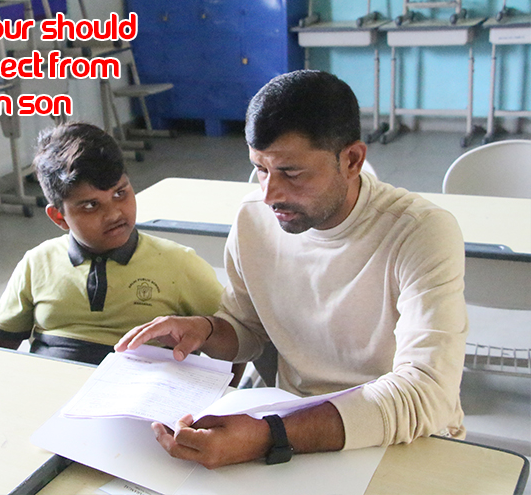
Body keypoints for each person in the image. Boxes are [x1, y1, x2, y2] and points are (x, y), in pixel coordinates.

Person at [115, 70, 468, 469]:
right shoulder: (254, 219)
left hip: (401, 437)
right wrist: (207, 331)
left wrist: (270, 437)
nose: (268, 194)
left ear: (352, 160)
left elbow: (426, 393)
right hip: (294, 428)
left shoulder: (420, 232)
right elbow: (248, 330)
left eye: (291, 172)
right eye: (260, 169)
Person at [0, 122, 224, 366]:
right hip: (52, 396)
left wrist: (224, 398)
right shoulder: (38, 263)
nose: (114, 213)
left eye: (120, 193)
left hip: (142, 398)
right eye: (91, 205)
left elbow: (234, 336)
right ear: (59, 217)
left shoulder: (178, 264)